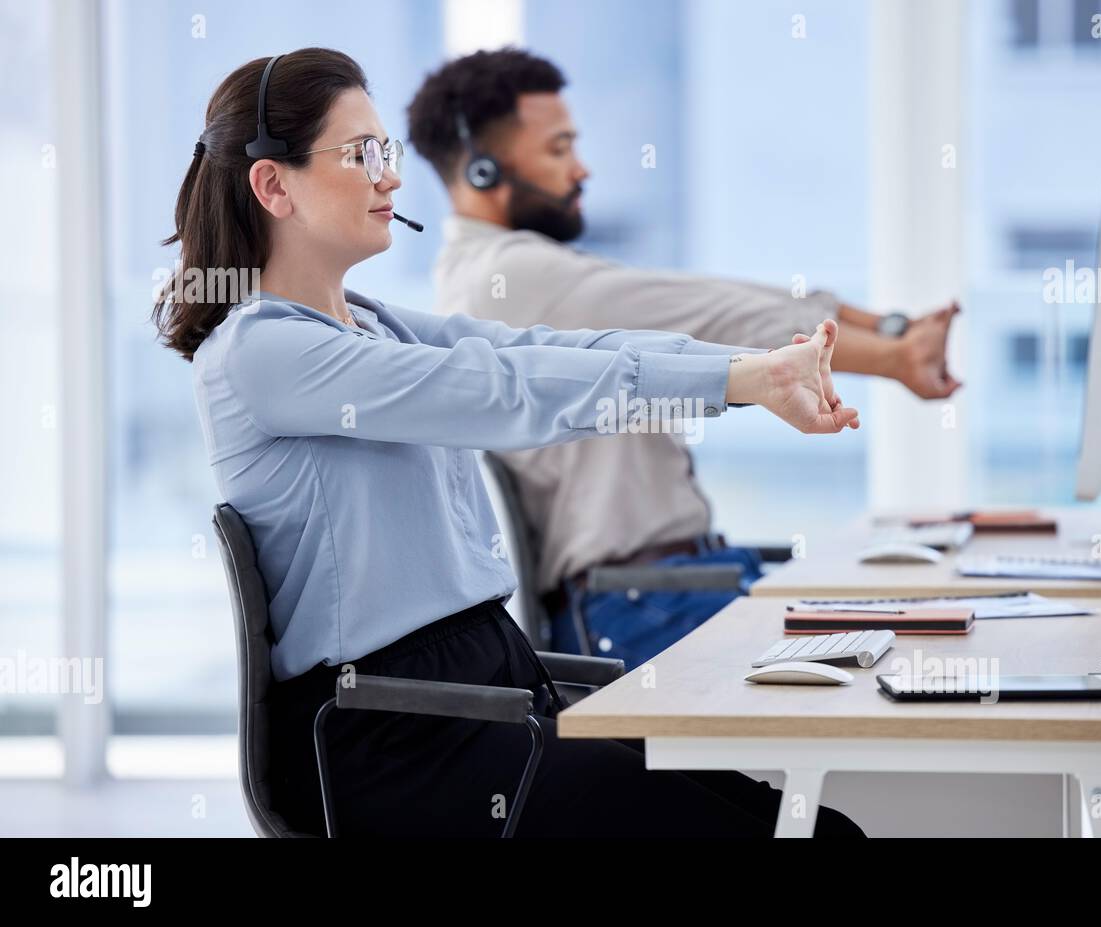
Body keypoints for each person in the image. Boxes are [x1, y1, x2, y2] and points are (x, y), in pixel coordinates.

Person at [153, 47, 864, 838]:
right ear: (272, 183)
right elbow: (502, 393)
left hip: (491, 691)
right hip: (391, 733)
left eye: (386, 152)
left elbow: (539, 352)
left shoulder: (375, 323)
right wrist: (736, 383)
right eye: (362, 154)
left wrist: (749, 372)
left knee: (812, 825)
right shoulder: (261, 353)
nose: (389, 176)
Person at [407, 48, 962, 667]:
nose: (581, 170)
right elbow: (713, 312)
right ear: (482, 171)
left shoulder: (505, 272)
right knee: (903, 671)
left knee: (907, 645)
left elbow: (709, 298)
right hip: (643, 605)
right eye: (559, 149)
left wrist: (891, 330)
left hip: (668, 591)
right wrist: (891, 355)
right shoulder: (509, 275)